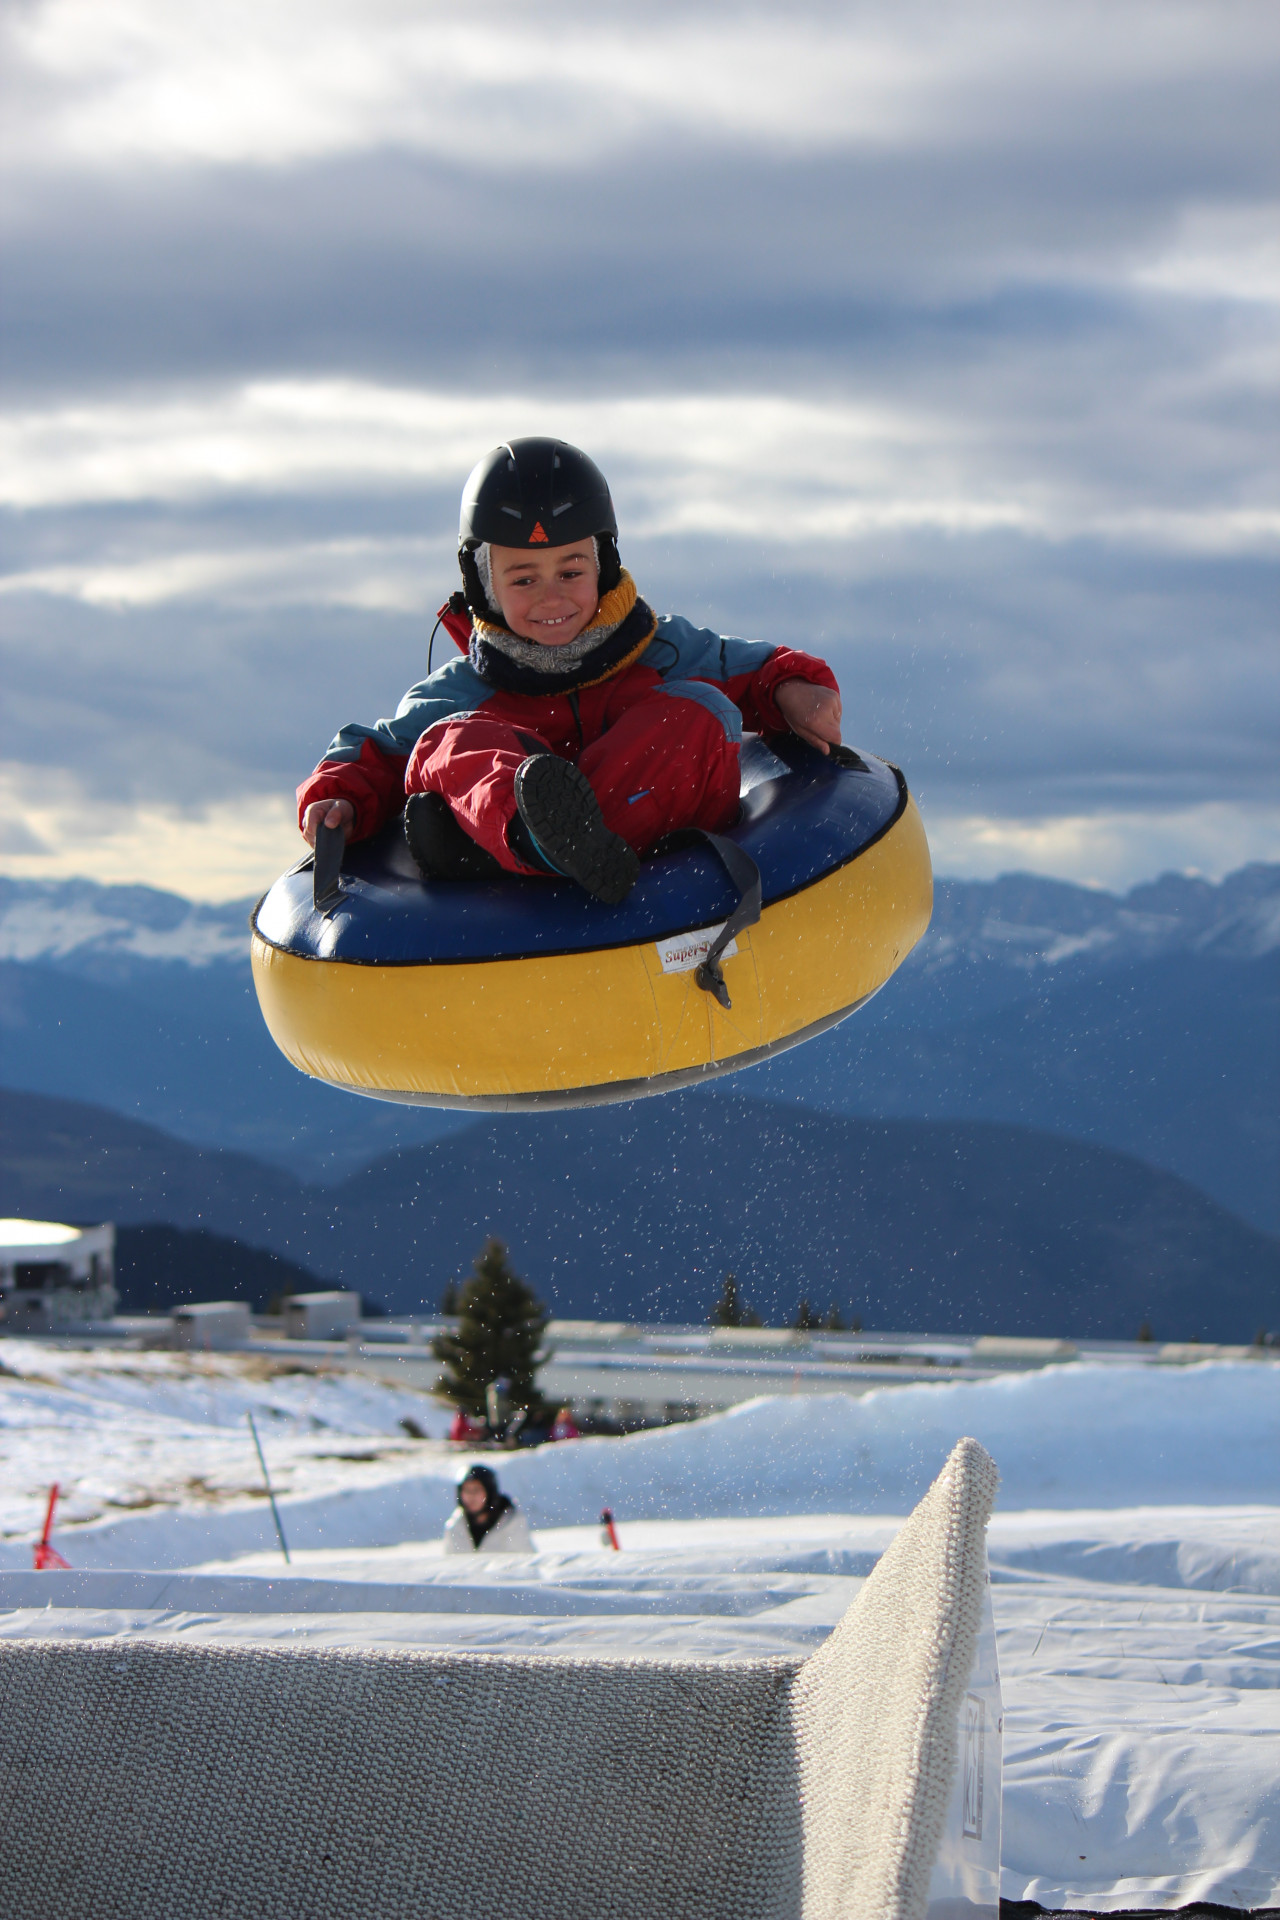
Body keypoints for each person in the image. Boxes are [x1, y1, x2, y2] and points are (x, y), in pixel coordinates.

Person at [298, 438, 842, 905]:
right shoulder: (463, 689)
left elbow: (751, 668)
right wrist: (338, 797)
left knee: (703, 712)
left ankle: (554, 845)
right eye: (524, 580)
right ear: (484, 585)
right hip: (523, 833)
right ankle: (535, 838)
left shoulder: (664, 648)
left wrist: (796, 688)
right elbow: (377, 753)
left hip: (638, 847)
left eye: (571, 571)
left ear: (602, 566)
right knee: (446, 741)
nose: (551, 596)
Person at [442, 1464, 534, 1554]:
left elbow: (525, 1563)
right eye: (466, 1490)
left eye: (476, 1490)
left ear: (489, 1492)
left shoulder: (512, 1523)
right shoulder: (455, 1526)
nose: (471, 1496)